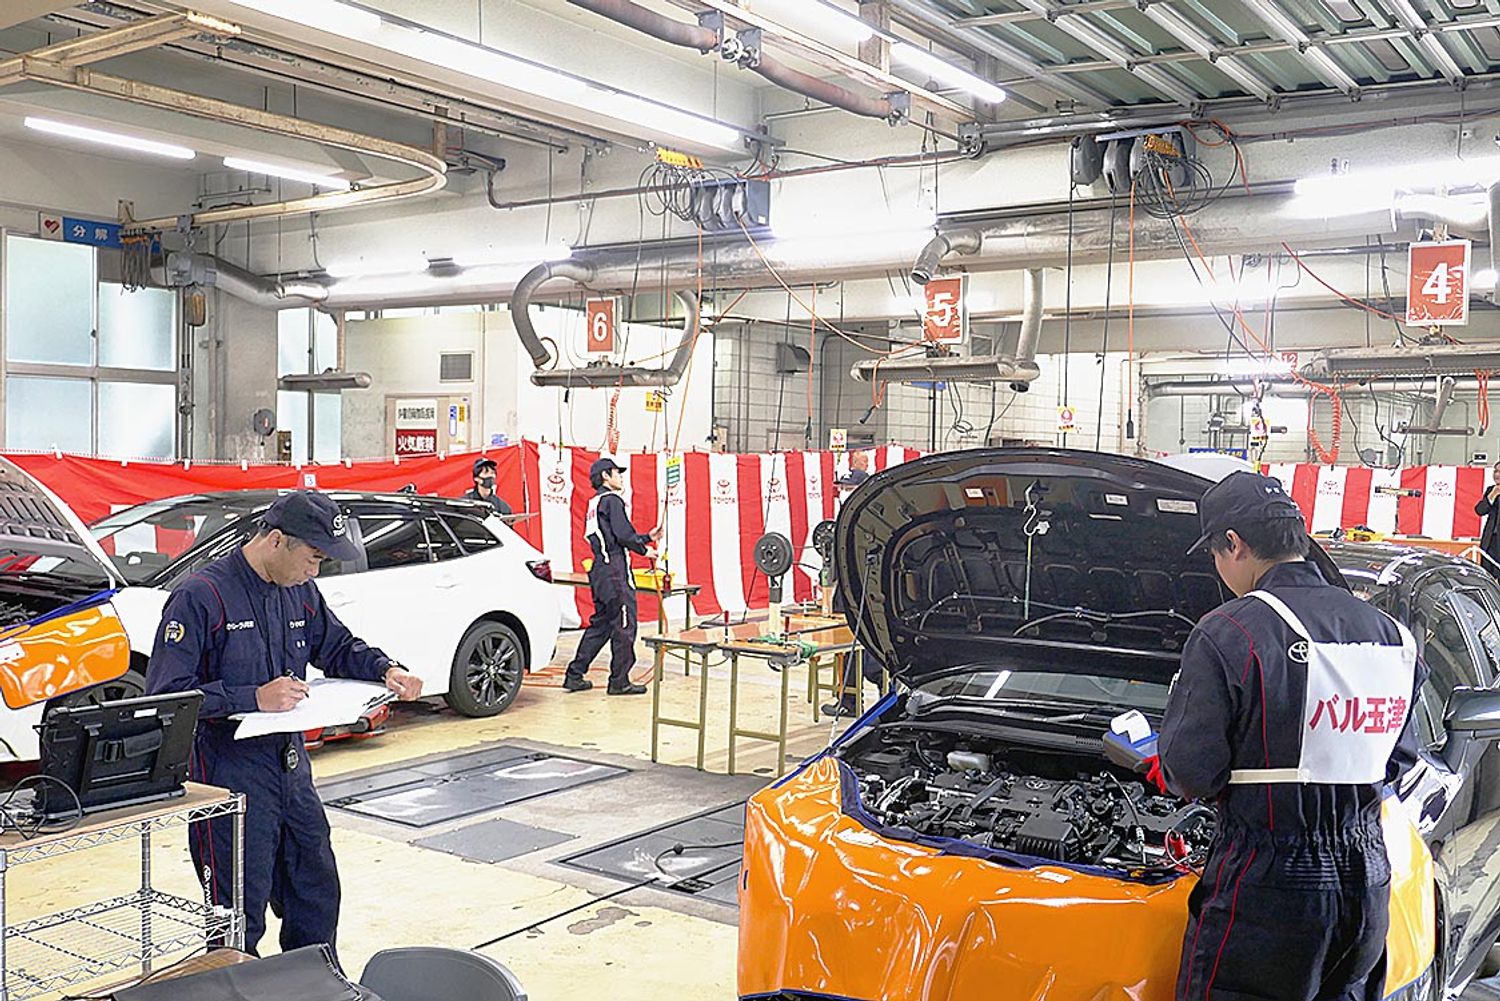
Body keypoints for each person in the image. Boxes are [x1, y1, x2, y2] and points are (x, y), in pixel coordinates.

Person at [1151, 471, 1421, 1001]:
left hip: (1267, 892)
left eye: (1215, 554)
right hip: (1366, 883)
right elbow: (1397, 760)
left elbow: (1190, 772)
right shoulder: (1392, 635)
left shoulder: (1229, 631)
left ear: (1233, 543)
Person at [145, 491, 423, 958]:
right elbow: (167, 696)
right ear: (277, 540)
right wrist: (251, 698)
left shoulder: (300, 591)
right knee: (238, 913)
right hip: (228, 776)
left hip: (291, 771)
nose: (316, 570)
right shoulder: (201, 596)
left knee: (316, 891)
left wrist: (384, 669)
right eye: (313, 557)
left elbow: (335, 646)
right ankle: (237, 988)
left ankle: (315, 983)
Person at [564, 457, 661, 695]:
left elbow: (612, 534)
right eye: (617, 473)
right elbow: (623, 536)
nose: (621, 477)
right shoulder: (613, 500)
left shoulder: (593, 503)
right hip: (615, 571)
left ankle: (574, 674)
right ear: (606, 476)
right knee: (625, 626)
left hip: (599, 571)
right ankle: (619, 681)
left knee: (602, 625)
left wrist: (646, 537)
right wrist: (644, 549)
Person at [1475, 460, 1500, 576]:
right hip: (1490, 541)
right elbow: (1480, 510)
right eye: (1495, 471)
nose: (1497, 474)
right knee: (1487, 575)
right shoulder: (1491, 490)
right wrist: (1492, 495)